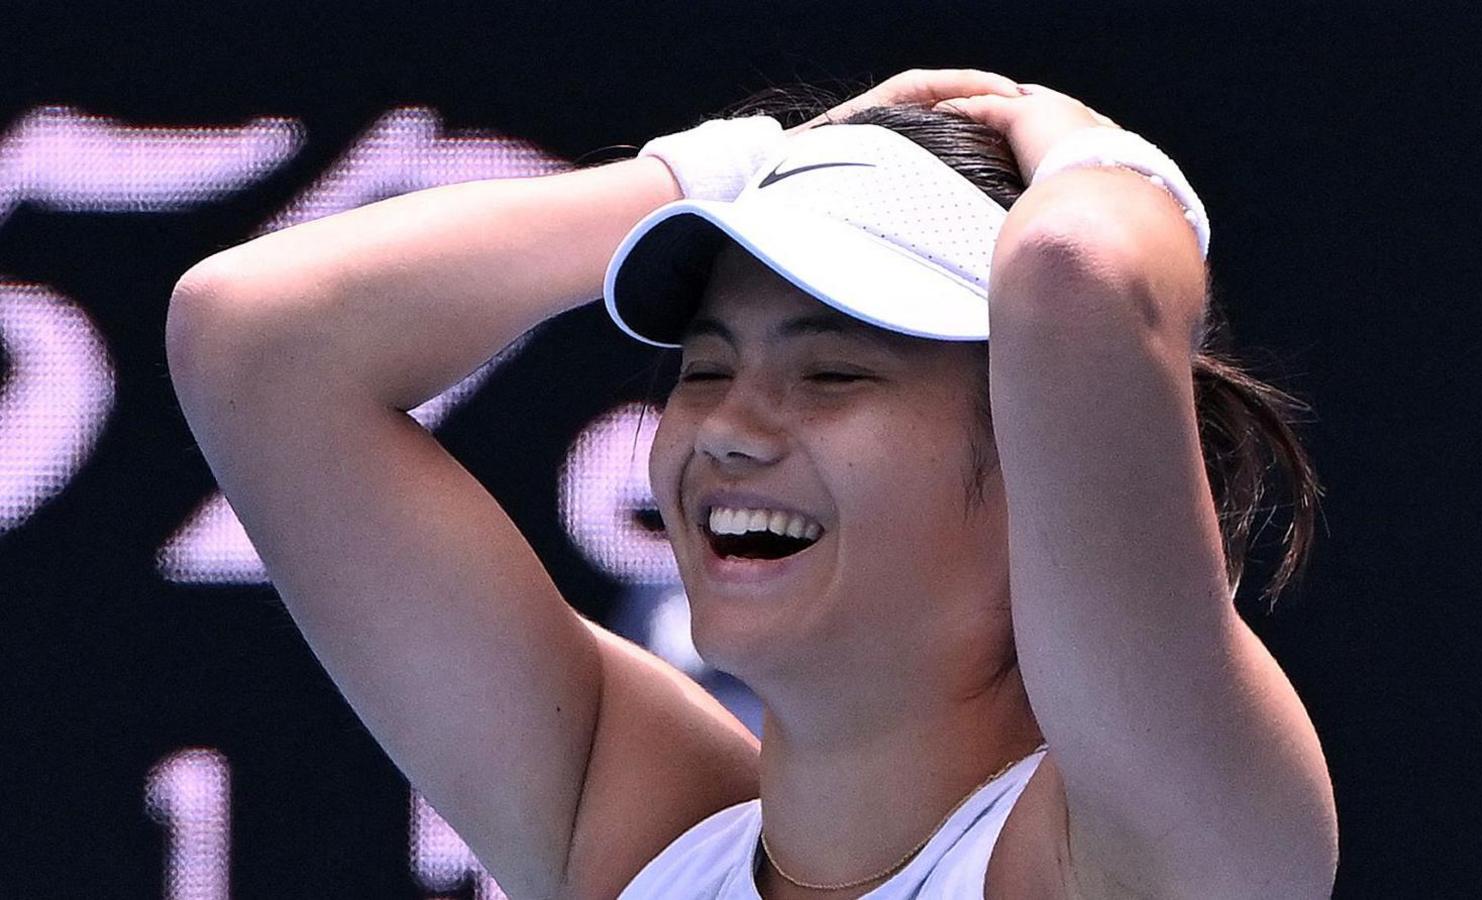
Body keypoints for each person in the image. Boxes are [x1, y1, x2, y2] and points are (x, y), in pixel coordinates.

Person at [166, 69, 1338, 898]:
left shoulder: (1159, 850)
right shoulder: (638, 846)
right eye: (705, 367)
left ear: (1038, 455)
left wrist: (1097, 157)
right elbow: (254, 340)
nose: (727, 427)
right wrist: (726, 164)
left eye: (833, 373)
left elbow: (1077, 272)